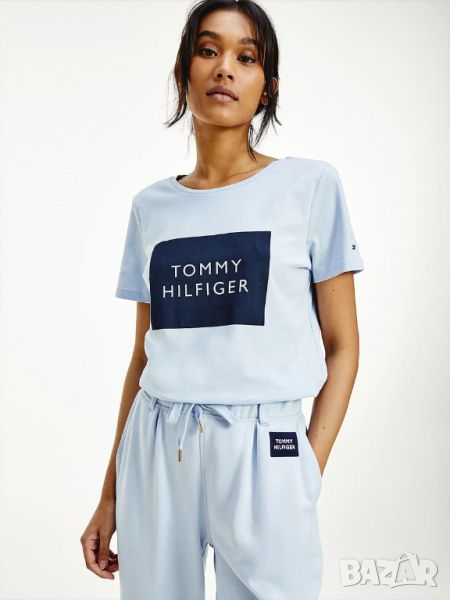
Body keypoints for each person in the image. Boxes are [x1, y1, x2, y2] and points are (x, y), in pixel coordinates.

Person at [80, 1, 365, 598]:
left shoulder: (310, 187)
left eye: (246, 56)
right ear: (184, 73)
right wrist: (110, 493)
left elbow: (343, 346)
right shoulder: (151, 208)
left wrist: (305, 469)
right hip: (159, 448)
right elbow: (143, 356)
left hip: (267, 449)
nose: (225, 68)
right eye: (208, 51)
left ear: (268, 87)